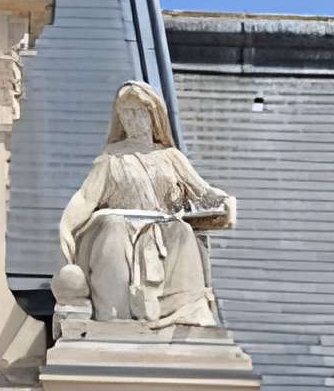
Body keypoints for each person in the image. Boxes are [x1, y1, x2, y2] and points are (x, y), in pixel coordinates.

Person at [55, 80, 233, 328]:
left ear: (153, 115)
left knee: (181, 231)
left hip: (161, 230)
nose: (131, 119)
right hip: (120, 227)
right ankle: (115, 315)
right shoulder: (111, 158)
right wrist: (66, 225)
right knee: (113, 227)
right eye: (125, 113)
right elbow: (86, 197)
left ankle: (183, 310)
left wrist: (225, 201)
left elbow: (203, 192)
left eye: (138, 112)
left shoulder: (170, 157)